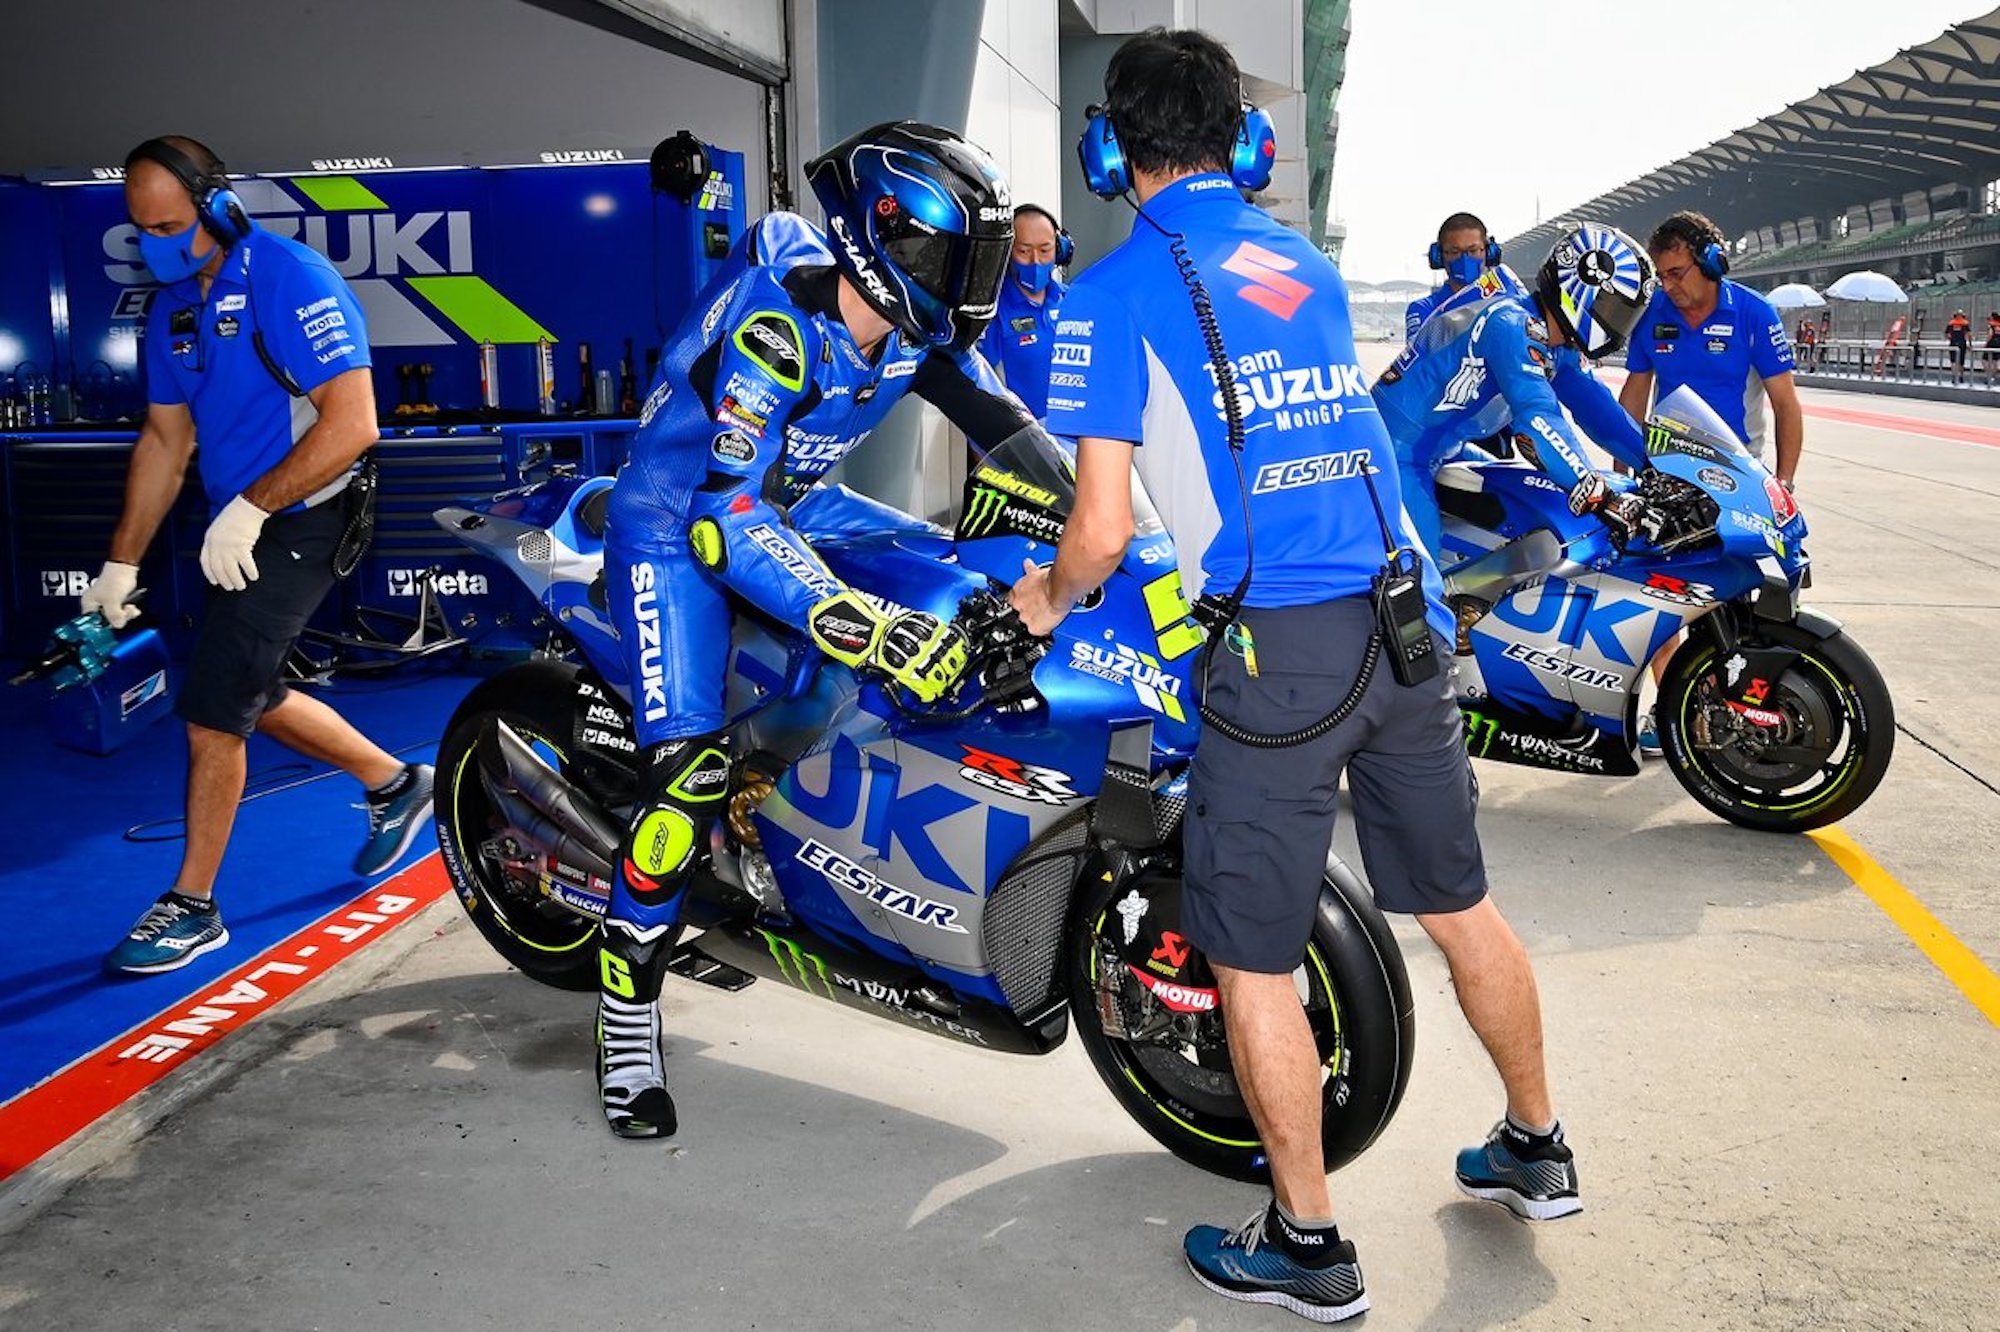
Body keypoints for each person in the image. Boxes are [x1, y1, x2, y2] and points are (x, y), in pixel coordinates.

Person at [1012, 29, 1579, 1324]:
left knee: (1253, 955)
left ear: (1110, 149)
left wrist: (1040, 601)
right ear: (1243, 143)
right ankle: (1538, 1148)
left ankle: (1309, 1242)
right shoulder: (1307, 262)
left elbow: (1100, 532)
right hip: (1405, 623)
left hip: (1279, 653)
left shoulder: (1109, 293)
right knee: (1457, 905)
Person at [595, 120, 1032, 1140]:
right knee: (685, 783)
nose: (968, 283)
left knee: (951, 585)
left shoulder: (914, 335)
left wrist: (1097, 531)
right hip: (680, 520)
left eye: (980, 261)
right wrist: (869, 628)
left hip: (795, 502)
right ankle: (625, 1022)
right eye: (952, 259)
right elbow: (722, 517)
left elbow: (1013, 435)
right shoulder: (776, 331)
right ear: (889, 245)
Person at [82, 137, 433, 975]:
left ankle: (193, 905)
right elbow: (166, 441)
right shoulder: (168, 310)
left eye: (171, 224)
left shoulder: (291, 279)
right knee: (245, 686)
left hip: (306, 512)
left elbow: (353, 425)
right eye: (142, 229)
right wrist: (121, 564)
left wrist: (249, 507)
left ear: (220, 208)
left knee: (211, 711)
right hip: (231, 524)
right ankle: (394, 783)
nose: (157, 242)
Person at [1372, 224, 1658, 642]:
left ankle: (1482, 615)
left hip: (1443, 447)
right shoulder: (1512, 324)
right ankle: (1430, 669)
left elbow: (1602, 414)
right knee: (1422, 596)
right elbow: (1538, 421)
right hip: (1395, 453)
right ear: (1580, 290)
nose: (1619, 324)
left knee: (1529, 510)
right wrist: (1596, 491)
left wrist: (1656, 464)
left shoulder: (1557, 343)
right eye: (1615, 309)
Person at [1618, 210, 1803, 754]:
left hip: (1738, 474)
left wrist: (1785, 481)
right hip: (1668, 476)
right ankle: (1678, 707)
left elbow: (1785, 404)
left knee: (1743, 600)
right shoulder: (1654, 315)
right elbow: (1634, 394)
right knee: (1658, 594)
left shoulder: (1752, 312)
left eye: (1677, 272)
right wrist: (1623, 474)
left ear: (1711, 263)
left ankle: (1745, 704)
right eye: (1662, 275)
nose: (1669, 285)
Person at [975, 204, 1070, 418]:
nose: (1035, 261)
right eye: (1024, 251)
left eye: (1045, 250)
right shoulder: (992, 313)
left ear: (1061, 250)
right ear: (1007, 252)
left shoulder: (1074, 303)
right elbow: (979, 394)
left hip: (1075, 439)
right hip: (1023, 442)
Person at [1405, 212, 1499, 340]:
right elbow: (1422, 357)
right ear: (1438, 256)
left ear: (1489, 252)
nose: (1465, 259)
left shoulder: (1504, 302)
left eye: (1473, 250)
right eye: (1454, 252)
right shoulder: (1424, 309)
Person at [1946, 308, 1972, 384]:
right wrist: (1970, 344)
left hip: (1953, 343)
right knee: (1961, 361)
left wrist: (1952, 338)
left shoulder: (1951, 323)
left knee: (1953, 361)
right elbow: (1969, 334)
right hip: (1962, 343)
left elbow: (1948, 334)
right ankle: (1961, 377)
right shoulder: (1965, 323)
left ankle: (1954, 377)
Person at [1984, 311, 2000, 380]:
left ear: (1992, 317)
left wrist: (1986, 343)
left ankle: (1989, 376)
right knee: (1995, 361)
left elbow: (1990, 334)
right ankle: (1993, 376)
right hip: (1998, 344)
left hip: (1991, 344)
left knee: (1985, 360)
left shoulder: (1991, 325)